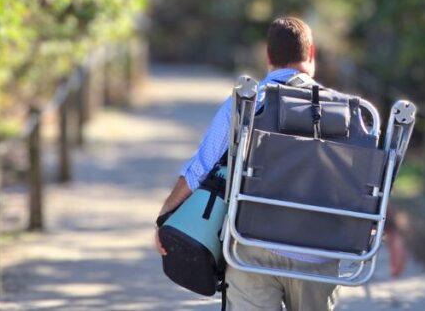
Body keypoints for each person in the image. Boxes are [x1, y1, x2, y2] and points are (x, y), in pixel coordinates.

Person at [156, 16, 406, 310]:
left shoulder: (248, 104)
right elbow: (371, 184)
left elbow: (200, 168)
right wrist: (394, 233)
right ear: (311, 53)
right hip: (320, 253)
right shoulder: (350, 115)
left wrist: (165, 216)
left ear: (268, 56)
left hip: (252, 246)